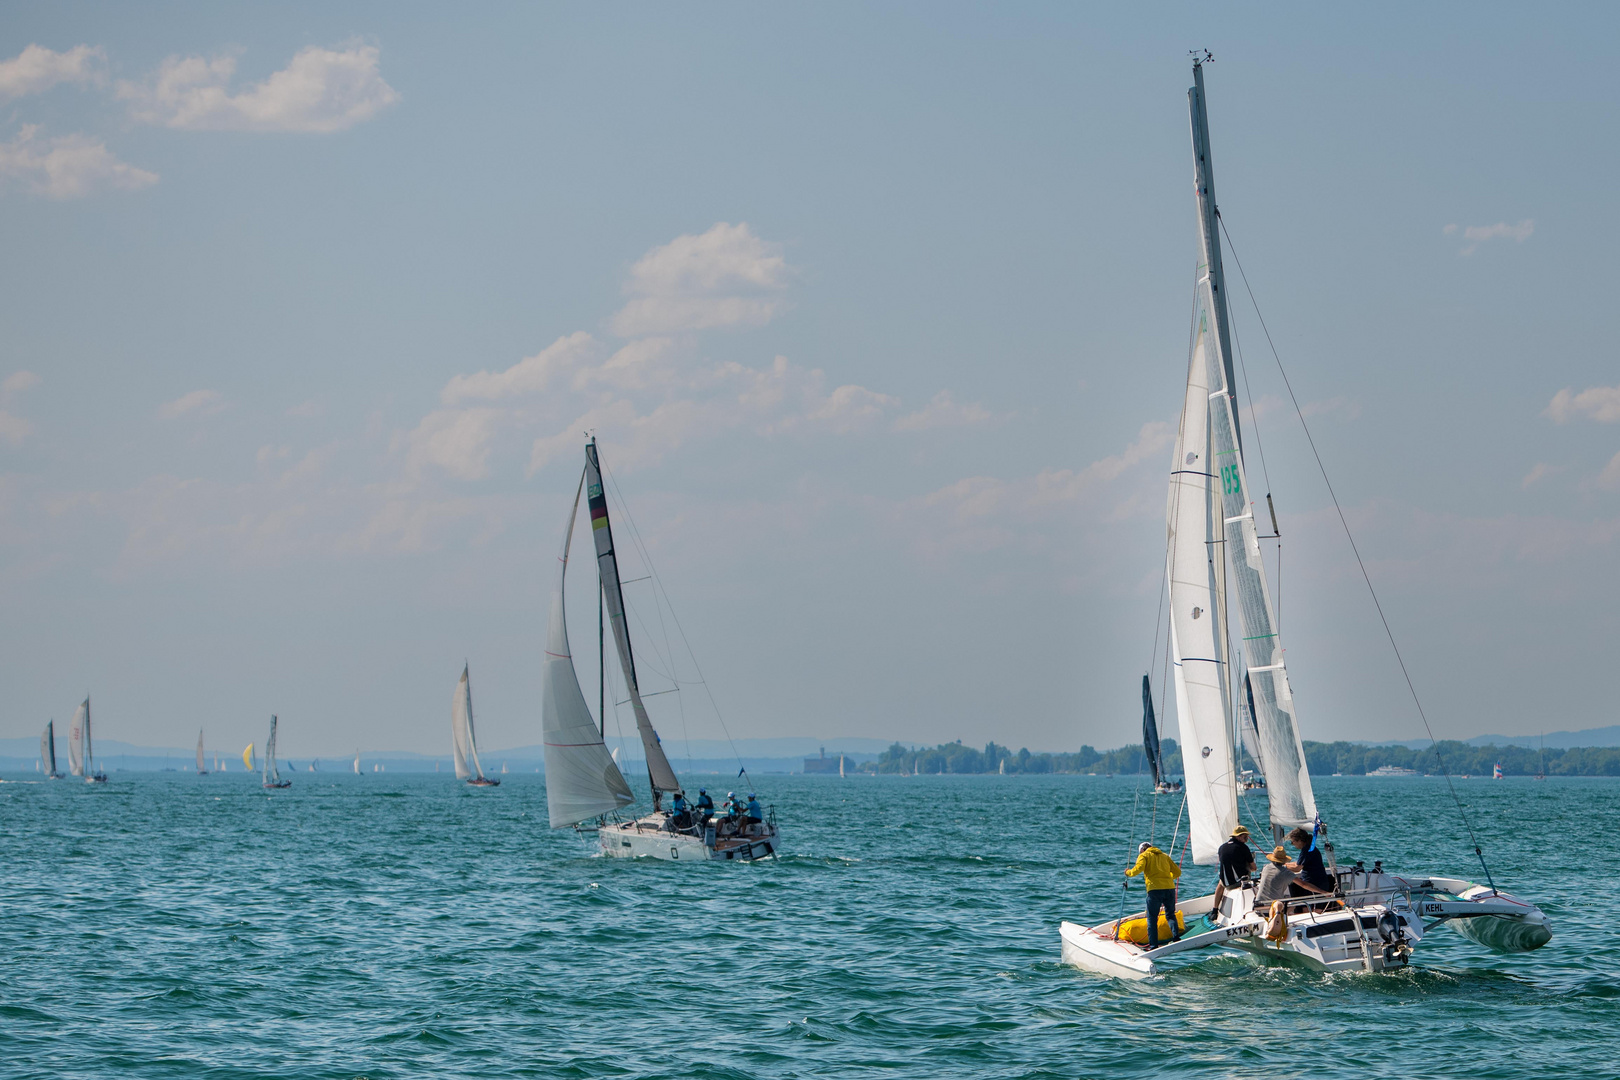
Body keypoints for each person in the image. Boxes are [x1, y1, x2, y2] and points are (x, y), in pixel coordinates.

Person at [1125, 841, 1183, 949]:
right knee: (1170, 915)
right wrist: (1168, 878)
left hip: (1155, 890)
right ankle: (1176, 938)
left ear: (1142, 850)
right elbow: (1177, 872)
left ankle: (1153, 945)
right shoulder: (1164, 856)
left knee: (1152, 919)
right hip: (1169, 888)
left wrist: (1128, 872)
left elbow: (1137, 870)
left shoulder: (1144, 856)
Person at [1213, 825, 1255, 913]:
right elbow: (1253, 868)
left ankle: (1215, 909)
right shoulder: (1243, 848)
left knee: (1220, 884)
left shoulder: (1222, 847)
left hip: (1225, 883)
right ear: (1238, 836)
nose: (1247, 839)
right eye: (1245, 837)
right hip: (1238, 882)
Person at [1288, 826, 1335, 898]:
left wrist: (1284, 866)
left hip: (1314, 885)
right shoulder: (1309, 848)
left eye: (1292, 841)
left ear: (1299, 840)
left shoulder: (1306, 850)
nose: (1292, 844)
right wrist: (1284, 863)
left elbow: (1297, 868)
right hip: (1318, 883)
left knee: (1310, 908)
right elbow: (1298, 863)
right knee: (1306, 908)